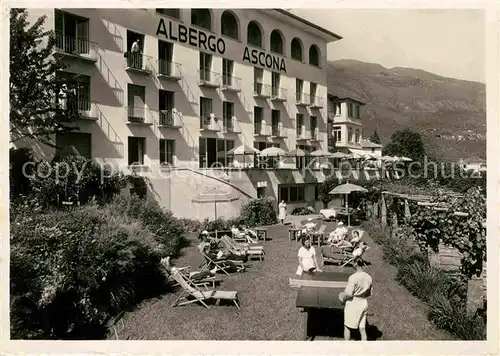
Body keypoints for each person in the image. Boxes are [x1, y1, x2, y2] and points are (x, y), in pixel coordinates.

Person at [338, 257, 373, 341]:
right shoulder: (369, 277)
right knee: (362, 328)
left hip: (354, 303)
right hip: (364, 303)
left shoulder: (353, 277)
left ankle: (347, 350)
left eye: (352, 262)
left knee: (347, 327)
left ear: (356, 264)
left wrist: (341, 295)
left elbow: (348, 294)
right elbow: (369, 293)